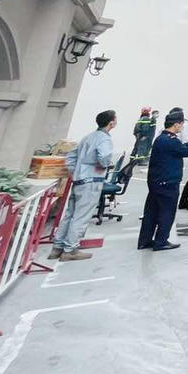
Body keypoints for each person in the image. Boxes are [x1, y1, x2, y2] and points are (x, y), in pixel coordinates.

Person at [50, 110, 117, 262]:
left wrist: (76, 172)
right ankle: (70, 249)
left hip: (79, 180)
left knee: (70, 214)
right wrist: (104, 165)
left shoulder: (88, 137)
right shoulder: (104, 139)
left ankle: (57, 247)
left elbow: (70, 157)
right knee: (81, 217)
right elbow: (104, 157)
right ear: (111, 123)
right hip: (91, 181)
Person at [139, 108, 188, 251]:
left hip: (156, 182)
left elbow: (182, 147)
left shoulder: (162, 138)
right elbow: (186, 151)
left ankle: (145, 241)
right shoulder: (171, 140)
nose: (182, 127)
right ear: (176, 125)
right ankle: (161, 242)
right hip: (167, 183)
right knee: (167, 213)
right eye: (181, 124)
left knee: (151, 212)